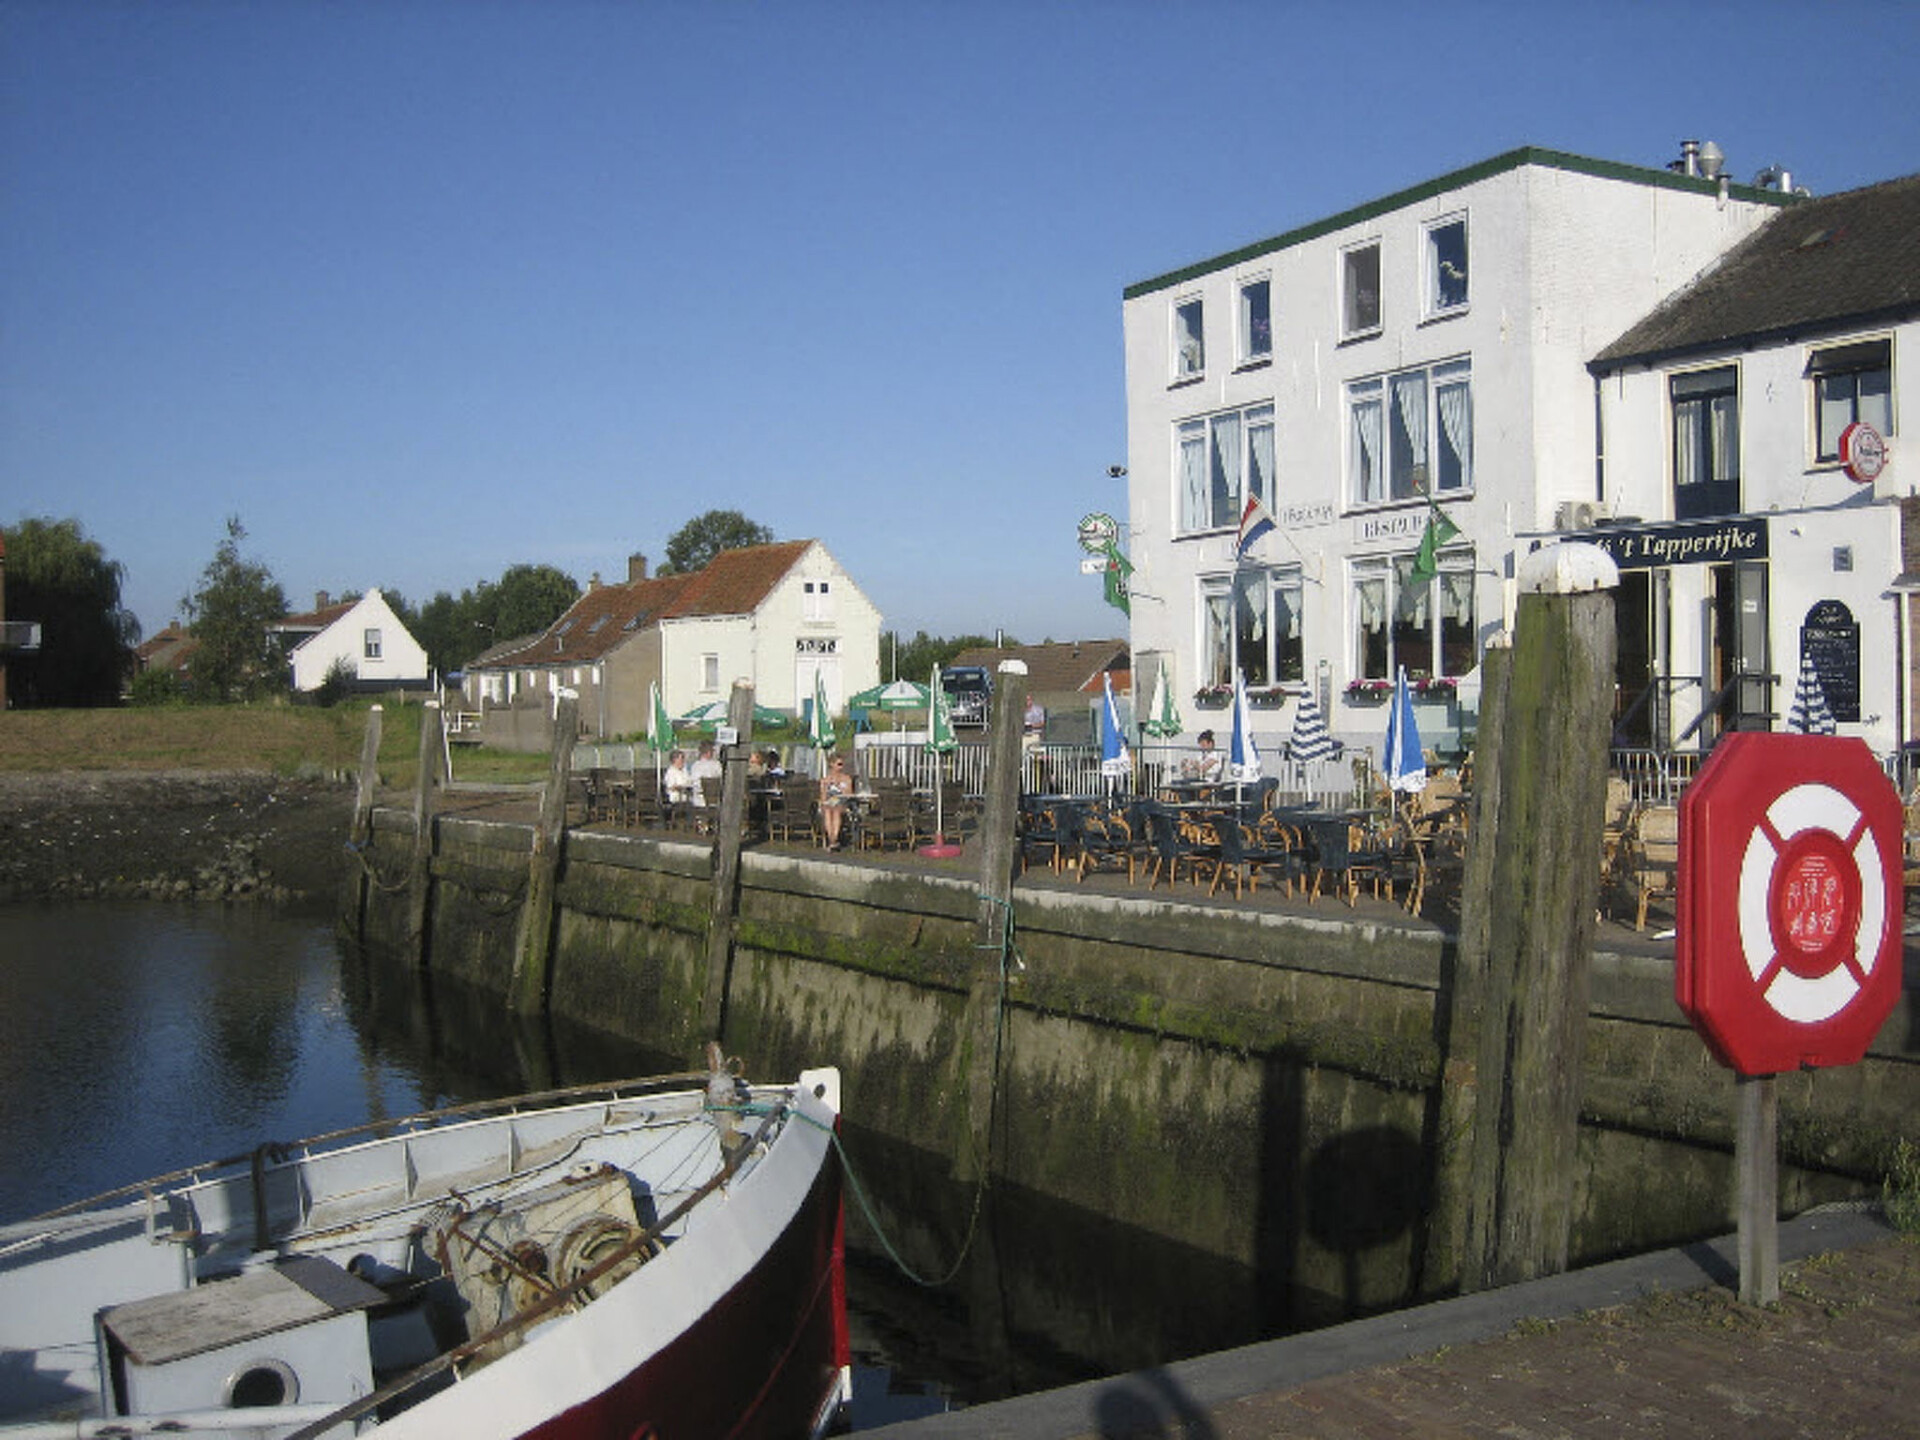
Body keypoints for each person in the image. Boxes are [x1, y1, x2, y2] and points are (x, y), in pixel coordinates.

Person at [819, 753, 853, 850]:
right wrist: (826, 787)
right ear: (832, 764)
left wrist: (840, 787)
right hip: (830, 803)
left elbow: (849, 794)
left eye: (842, 764)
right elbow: (823, 797)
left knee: (836, 811)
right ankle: (833, 841)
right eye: (839, 764)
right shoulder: (825, 780)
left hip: (842, 803)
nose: (841, 767)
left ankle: (833, 841)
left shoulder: (846, 779)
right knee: (828, 810)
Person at [691, 740, 723, 806]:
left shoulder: (716, 764)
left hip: (716, 797)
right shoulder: (697, 766)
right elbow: (696, 783)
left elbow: (721, 777)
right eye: (711, 751)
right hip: (701, 799)